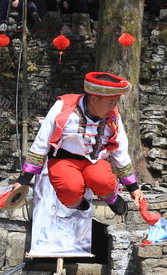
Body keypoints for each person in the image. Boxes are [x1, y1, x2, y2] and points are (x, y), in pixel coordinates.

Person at [16, 72, 144, 215]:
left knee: (103, 180)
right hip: (63, 159)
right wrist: (23, 181)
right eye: (111, 102)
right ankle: (76, 202)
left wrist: (133, 188)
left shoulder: (113, 116)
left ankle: (112, 198)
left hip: (94, 161)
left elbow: (120, 149)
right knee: (70, 188)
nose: (113, 107)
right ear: (94, 99)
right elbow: (42, 142)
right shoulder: (64, 107)